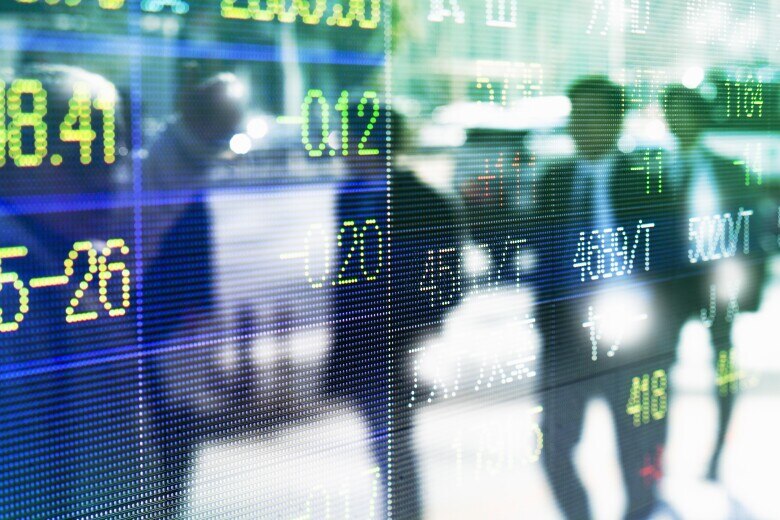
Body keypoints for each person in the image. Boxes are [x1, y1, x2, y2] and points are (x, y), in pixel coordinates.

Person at [531, 76, 676, 520]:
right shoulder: (553, 181)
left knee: (641, 447)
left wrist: (668, 335)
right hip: (565, 344)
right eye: (578, 114)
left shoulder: (646, 182)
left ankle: (641, 511)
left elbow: (674, 265)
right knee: (552, 446)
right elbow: (539, 254)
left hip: (636, 341)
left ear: (617, 120)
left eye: (594, 114)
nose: (583, 124)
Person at [0, 65, 131, 517]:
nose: (109, 182)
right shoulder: (13, 286)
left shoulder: (88, 259)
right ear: (12, 162)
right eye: (79, 160)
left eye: (117, 157)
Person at [328, 106, 461, 519]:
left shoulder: (424, 200)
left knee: (393, 447)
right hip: (362, 344)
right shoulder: (348, 196)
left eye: (350, 138)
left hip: (400, 345)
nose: (343, 149)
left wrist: (420, 333)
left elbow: (445, 282)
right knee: (385, 445)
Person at [143, 72, 248, 518]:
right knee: (163, 444)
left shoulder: (185, 161)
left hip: (177, 333)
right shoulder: (162, 168)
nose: (227, 137)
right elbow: (152, 252)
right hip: (159, 333)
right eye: (225, 122)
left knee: (176, 443)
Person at [662, 84, 769, 480]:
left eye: (684, 112)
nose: (677, 121)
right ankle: (657, 457)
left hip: (717, 281)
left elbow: (754, 234)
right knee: (658, 369)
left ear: (700, 117)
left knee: (723, 366)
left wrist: (749, 292)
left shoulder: (730, 168)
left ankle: (716, 455)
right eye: (671, 113)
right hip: (670, 287)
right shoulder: (652, 167)